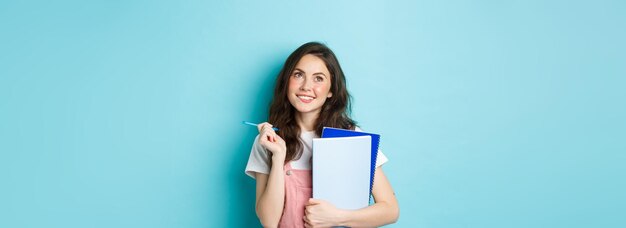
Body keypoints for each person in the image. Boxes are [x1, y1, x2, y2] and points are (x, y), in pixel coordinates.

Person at [245, 42, 399, 227]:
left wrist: (338, 217)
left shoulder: (353, 138)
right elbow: (268, 222)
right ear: (287, 82)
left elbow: (390, 210)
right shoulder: (268, 140)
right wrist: (278, 158)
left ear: (331, 90)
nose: (306, 86)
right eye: (298, 75)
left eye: (318, 78)